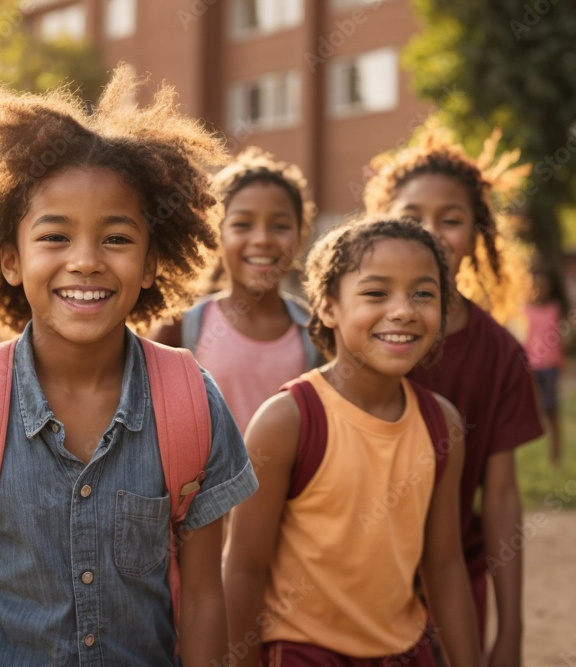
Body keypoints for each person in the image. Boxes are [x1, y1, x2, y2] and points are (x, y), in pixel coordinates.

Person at [0, 64, 258, 666]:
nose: (85, 261)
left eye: (116, 238)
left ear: (154, 261)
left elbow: (205, 599)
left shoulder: (192, 405)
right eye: (55, 237)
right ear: (10, 259)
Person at [224, 217, 481, 666]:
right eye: (376, 293)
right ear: (327, 307)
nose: (403, 310)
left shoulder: (444, 425)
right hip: (303, 653)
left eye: (423, 293)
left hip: (406, 651)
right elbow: (243, 569)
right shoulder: (288, 421)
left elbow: (444, 566)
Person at [364, 129, 543, 666]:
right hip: (354, 575)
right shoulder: (361, 334)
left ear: (476, 233)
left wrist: (510, 630)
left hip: (455, 581)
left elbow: (503, 497)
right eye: (412, 214)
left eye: (452, 218)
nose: (431, 233)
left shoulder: (500, 354)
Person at [150, 147, 318, 432]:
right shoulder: (182, 327)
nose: (262, 239)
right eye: (242, 224)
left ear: (300, 235)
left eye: (279, 226)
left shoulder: (316, 332)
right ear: (217, 235)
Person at [524, 266, 566, 467]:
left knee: (551, 411)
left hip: (549, 367)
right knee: (528, 411)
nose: (539, 289)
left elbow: (561, 340)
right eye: (535, 285)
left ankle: (555, 457)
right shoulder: (523, 311)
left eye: (543, 285)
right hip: (530, 367)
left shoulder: (555, 310)